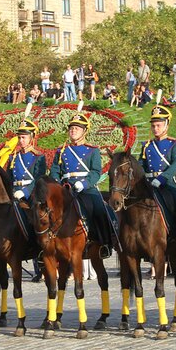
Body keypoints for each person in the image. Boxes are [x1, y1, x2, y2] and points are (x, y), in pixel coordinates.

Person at [48, 109, 113, 258]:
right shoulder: (62, 151)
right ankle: (47, 246)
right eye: (71, 128)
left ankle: (104, 243)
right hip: (66, 188)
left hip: (86, 189)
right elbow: (55, 171)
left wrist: (84, 183)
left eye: (77, 128)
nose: (73, 131)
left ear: (84, 131)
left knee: (99, 209)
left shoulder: (92, 150)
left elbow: (95, 172)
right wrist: (58, 184)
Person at [141, 105, 176, 253]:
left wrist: (162, 178)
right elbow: (141, 164)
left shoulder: (175, 144)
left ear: (166, 125)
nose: (155, 128)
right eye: (153, 126)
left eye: (158, 125)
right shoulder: (147, 145)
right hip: (149, 184)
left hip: (168, 184)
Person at [6, 118, 47, 205]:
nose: (21, 140)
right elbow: (9, 178)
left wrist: (25, 192)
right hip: (14, 193)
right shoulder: (13, 157)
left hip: (31, 194)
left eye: (23, 137)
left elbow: (39, 179)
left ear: (31, 138)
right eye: (19, 137)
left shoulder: (38, 157)